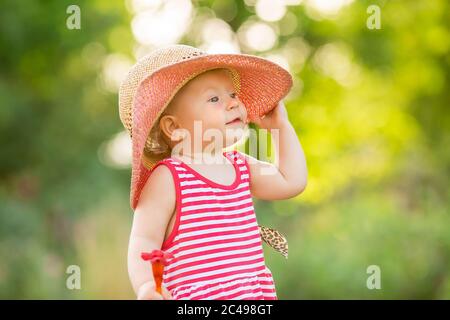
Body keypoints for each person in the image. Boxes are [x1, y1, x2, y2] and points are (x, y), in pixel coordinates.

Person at [119, 44, 307, 300]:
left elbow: (291, 181)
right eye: (214, 99)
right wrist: (147, 285)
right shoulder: (169, 177)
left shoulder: (239, 165)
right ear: (174, 127)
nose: (233, 104)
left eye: (232, 94)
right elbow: (143, 241)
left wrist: (281, 127)